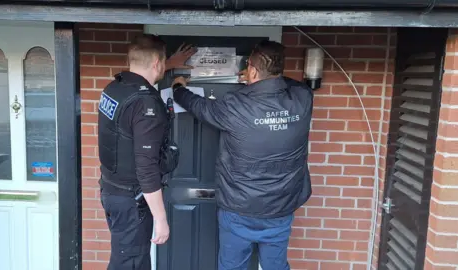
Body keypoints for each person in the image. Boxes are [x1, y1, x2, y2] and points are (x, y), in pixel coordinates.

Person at [171, 40, 313, 270]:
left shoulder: (235, 105)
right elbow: (290, 84)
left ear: (253, 69)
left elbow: (198, 106)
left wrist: (178, 87)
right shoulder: (302, 99)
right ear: (278, 71)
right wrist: (268, 79)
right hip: (281, 207)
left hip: (239, 209)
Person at [98, 34, 196, 270]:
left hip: (112, 191)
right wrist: (161, 220)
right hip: (132, 201)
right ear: (156, 64)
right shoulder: (146, 104)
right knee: (130, 263)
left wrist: (168, 62)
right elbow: (146, 167)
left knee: (127, 259)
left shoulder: (115, 87)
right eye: (162, 62)